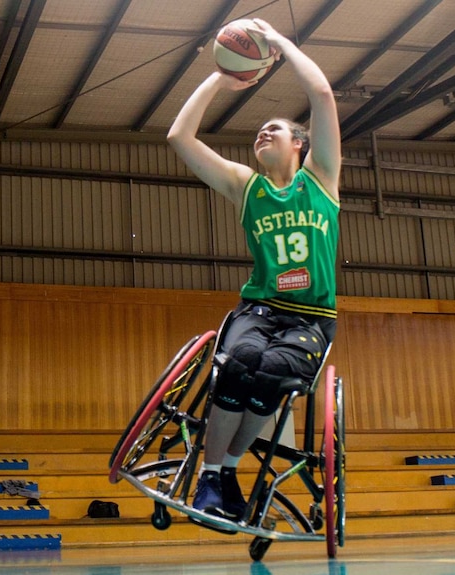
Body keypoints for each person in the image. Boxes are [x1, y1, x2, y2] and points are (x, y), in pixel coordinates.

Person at [166, 18, 341, 519]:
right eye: (260, 130)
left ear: (300, 147)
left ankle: (231, 468)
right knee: (240, 362)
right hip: (260, 308)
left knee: (270, 376)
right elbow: (180, 136)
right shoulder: (247, 187)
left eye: (277, 129)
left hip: (310, 319)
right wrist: (221, 77)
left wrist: (281, 45)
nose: (264, 131)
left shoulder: (322, 180)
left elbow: (323, 95)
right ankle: (210, 478)